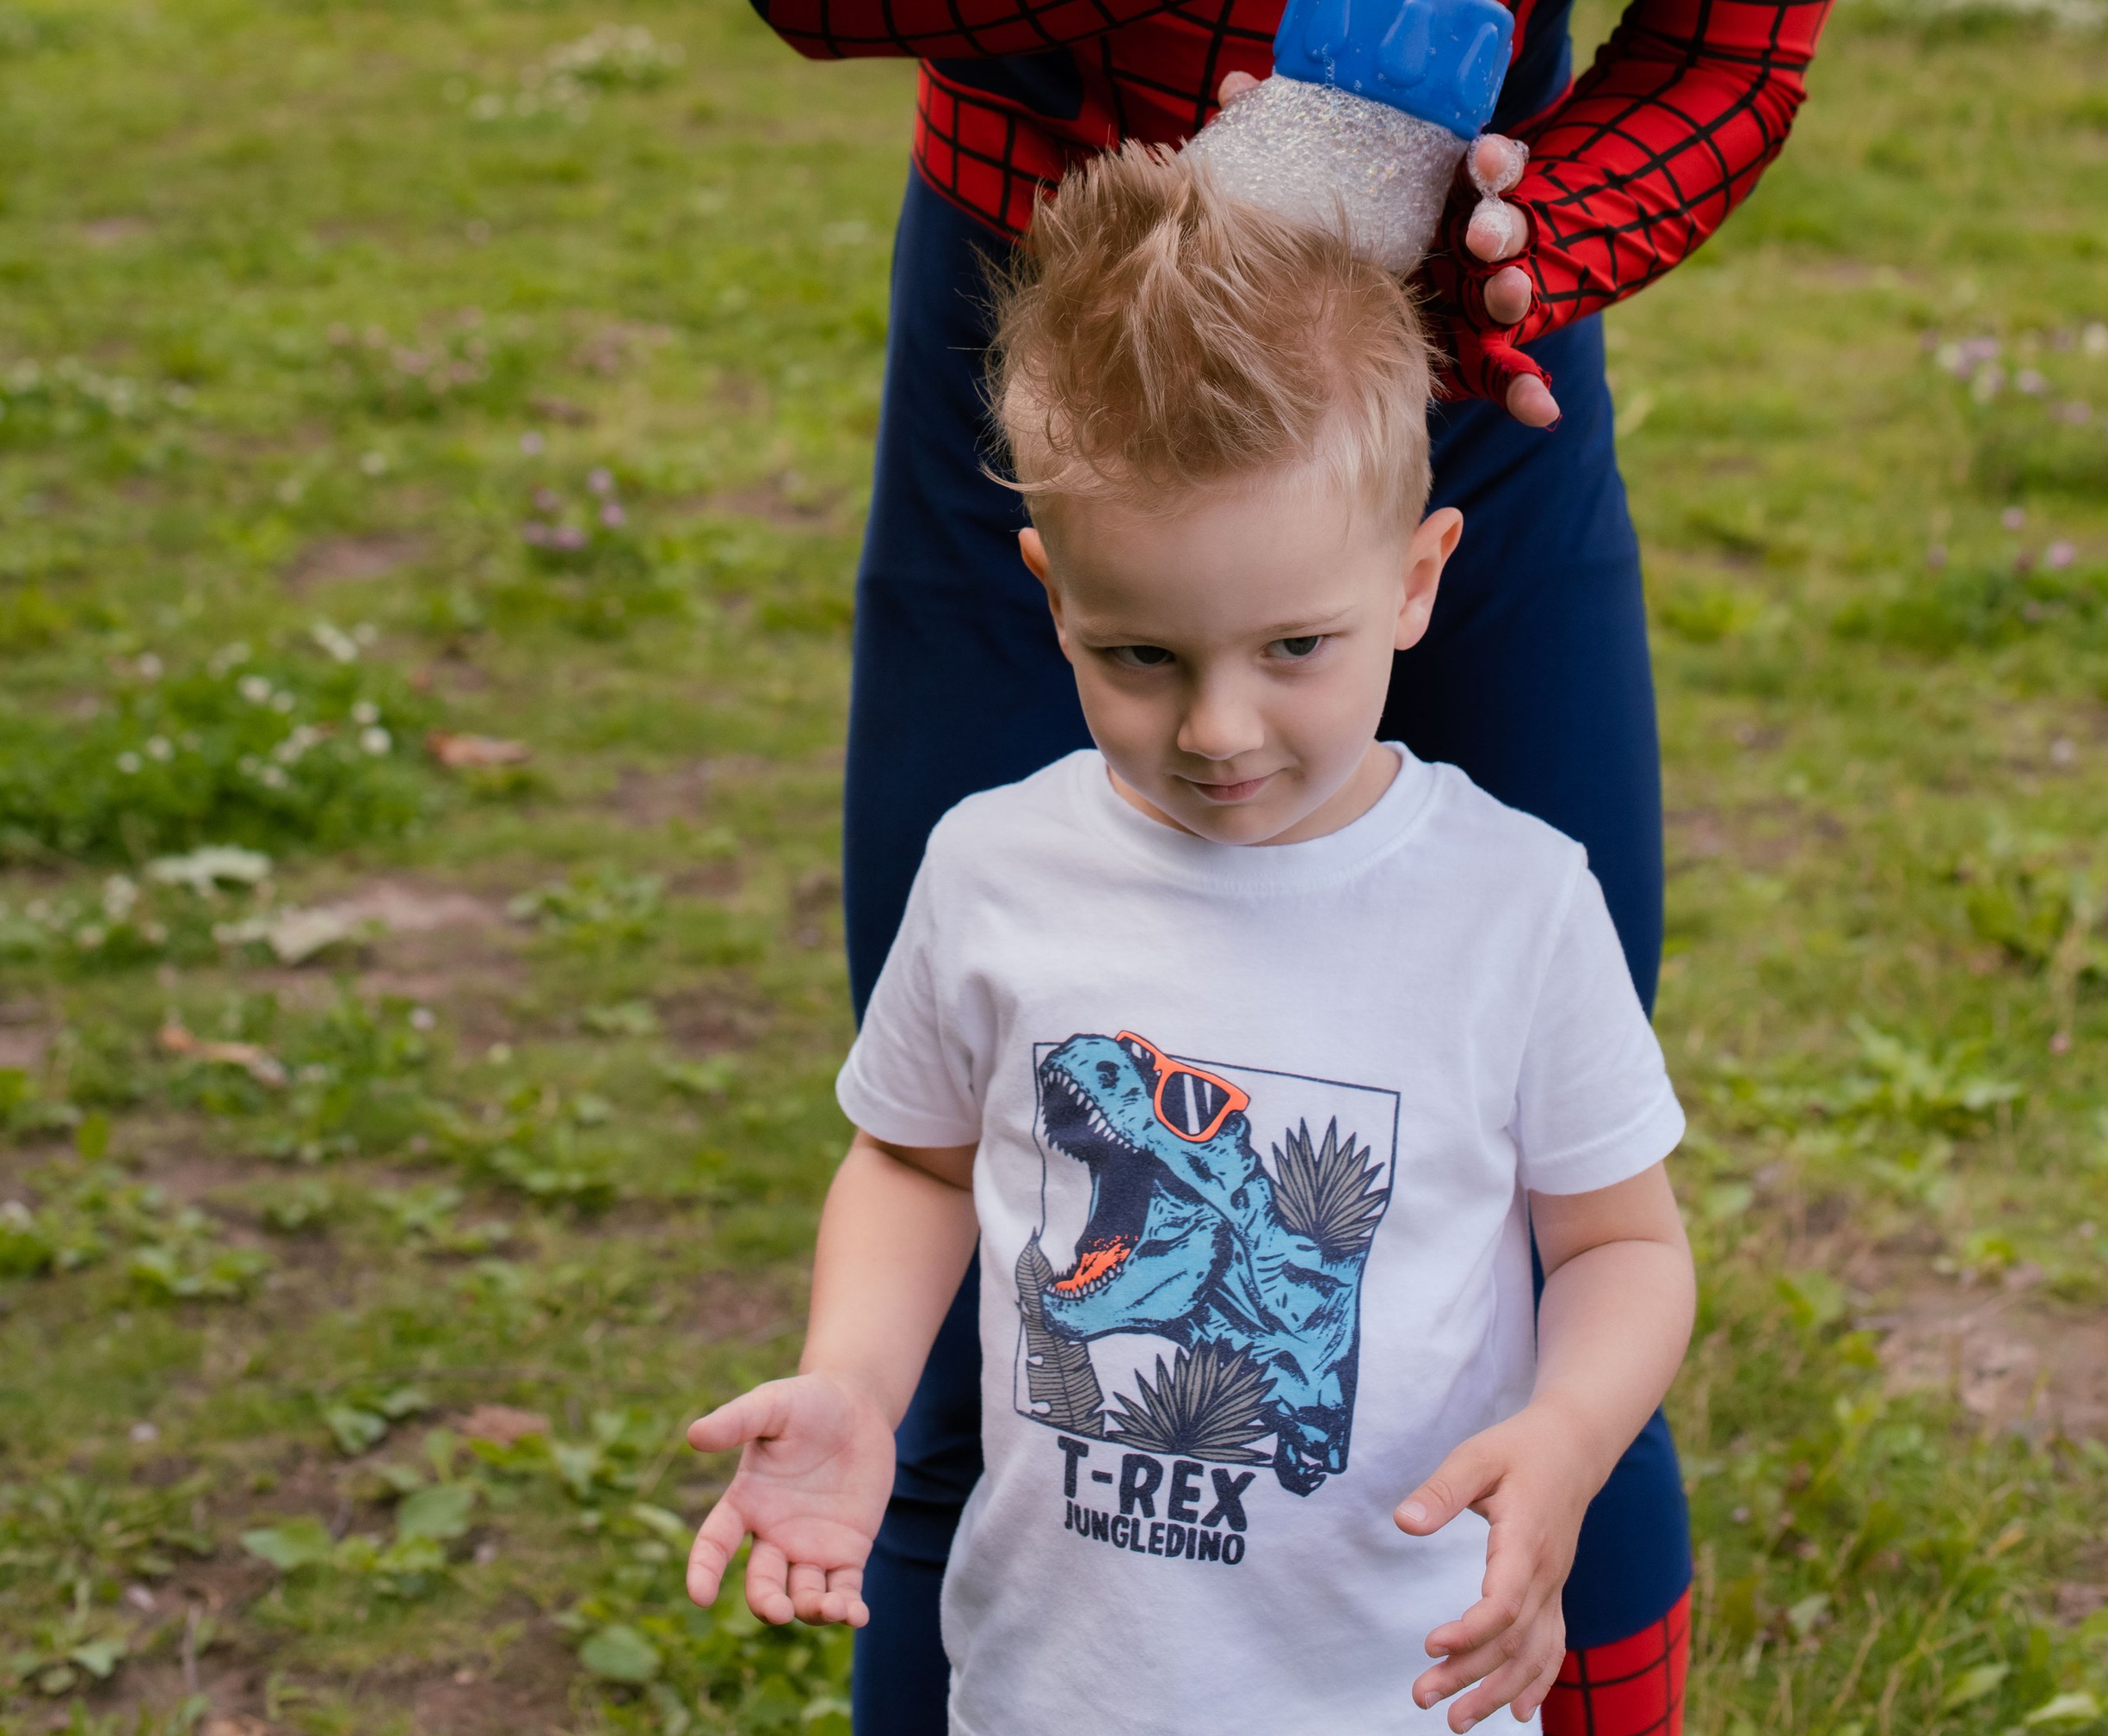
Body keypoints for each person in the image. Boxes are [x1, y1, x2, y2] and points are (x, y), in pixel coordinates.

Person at [734, 0, 1974, 1733]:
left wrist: (1553, 240)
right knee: (1010, 1148)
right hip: (1038, 315)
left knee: (1539, 1187)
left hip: (1444, 349)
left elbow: (1725, 59)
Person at [685, 151, 1696, 1735]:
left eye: (1296, 647)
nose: (1219, 729)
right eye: (1139, 654)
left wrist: (1569, 1435)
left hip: (1393, 1696)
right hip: (1052, 1690)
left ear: (1418, 578)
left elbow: (1622, 1246)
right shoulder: (995, 867)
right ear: (1051, 590)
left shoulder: (1517, 905)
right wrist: (854, 1379)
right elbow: (915, 1164)